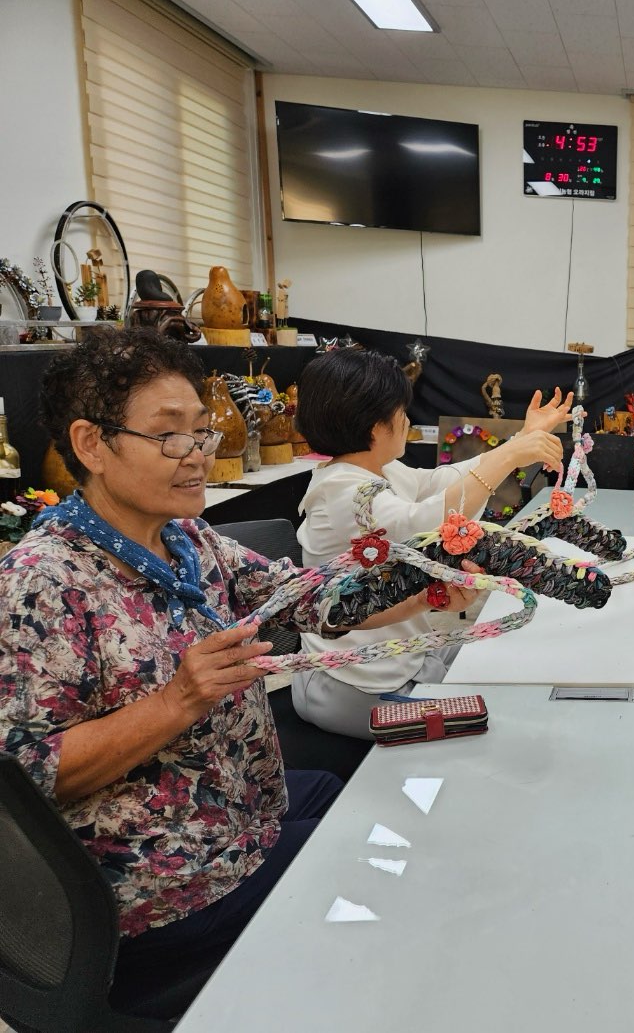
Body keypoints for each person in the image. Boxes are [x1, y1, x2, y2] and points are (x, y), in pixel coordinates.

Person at [0, 330, 440, 1018]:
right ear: (91, 444)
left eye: (202, 432)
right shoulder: (42, 583)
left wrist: (426, 588)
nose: (200, 454)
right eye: (171, 436)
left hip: (231, 807)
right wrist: (180, 699)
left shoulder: (184, 538)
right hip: (157, 877)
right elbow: (25, 781)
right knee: (383, 868)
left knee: (363, 804)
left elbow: (304, 599)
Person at [293, 348, 571, 738]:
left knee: (507, 667)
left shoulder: (376, 469)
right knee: (497, 724)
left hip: (405, 657)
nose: (407, 421)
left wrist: (522, 440)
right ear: (375, 428)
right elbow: (431, 521)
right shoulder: (343, 491)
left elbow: (439, 484)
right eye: (401, 413)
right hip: (356, 684)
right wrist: (510, 454)